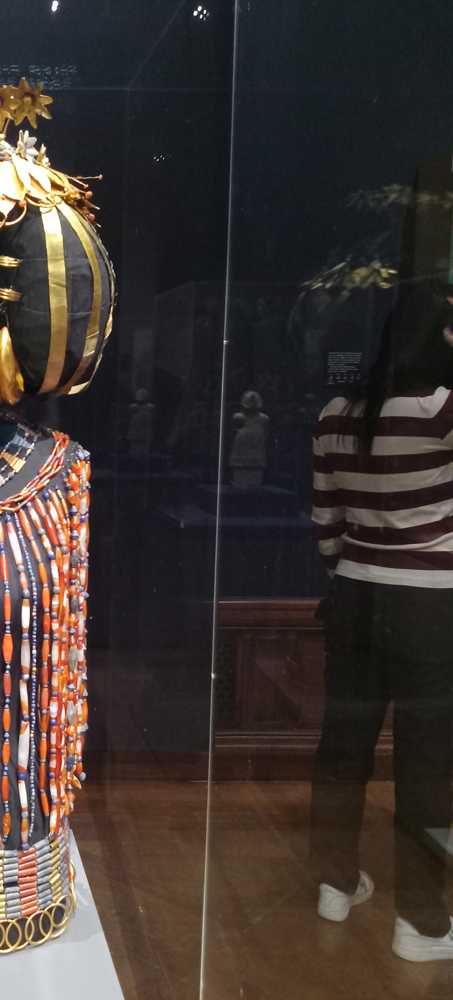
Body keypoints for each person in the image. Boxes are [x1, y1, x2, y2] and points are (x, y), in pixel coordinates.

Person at [310, 281, 453, 962]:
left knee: (343, 749)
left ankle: (334, 886)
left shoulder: (337, 413)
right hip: (432, 606)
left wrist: (351, 572)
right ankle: (420, 923)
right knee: (429, 765)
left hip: (356, 596)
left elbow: (327, 523)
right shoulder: (444, 410)